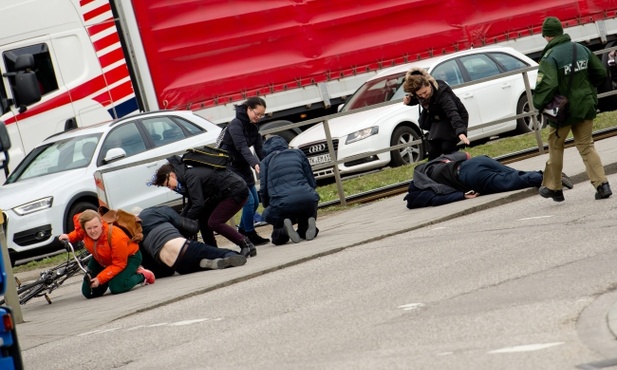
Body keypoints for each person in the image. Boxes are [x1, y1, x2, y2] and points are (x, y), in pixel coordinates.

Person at [533, 16, 612, 202]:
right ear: (561, 31)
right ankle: (602, 185)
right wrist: (585, 89)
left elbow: (548, 85)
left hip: (563, 112)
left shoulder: (549, 57)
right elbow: (600, 73)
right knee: (586, 145)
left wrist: (538, 103)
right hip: (585, 106)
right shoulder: (581, 49)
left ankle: (555, 188)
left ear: (546, 36)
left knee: (555, 146)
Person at [150, 156, 257, 258]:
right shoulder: (186, 177)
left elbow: (198, 204)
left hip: (235, 191)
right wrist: (180, 220)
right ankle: (213, 252)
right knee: (203, 220)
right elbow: (192, 202)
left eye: (168, 184)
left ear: (172, 175)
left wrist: (185, 222)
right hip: (226, 192)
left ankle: (245, 244)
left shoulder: (190, 177)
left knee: (214, 222)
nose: (170, 188)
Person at [404, 151, 574, 209]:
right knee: (515, 174)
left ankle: (551, 177)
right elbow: (466, 154)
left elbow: (427, 200)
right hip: (477, 161)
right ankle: (550, 175)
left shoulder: (421, 184)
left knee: (512, 181)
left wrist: (461, 196)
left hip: (469, 177)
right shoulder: (435, 163)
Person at [59, 210, 155, 299]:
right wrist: (68, 237)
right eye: (89, 228)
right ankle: (114, 277)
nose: (92, 231)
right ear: (84, 228)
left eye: (95, 227)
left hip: (128, 258)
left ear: (101, 224)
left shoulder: (116, 237)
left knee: (117, 287)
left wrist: (100, 279)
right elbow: (78, 233)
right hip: (103, 259)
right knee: (89, 292)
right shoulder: (85, 231)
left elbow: (119, 264)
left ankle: (143, 275)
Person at [137, 205, 247, 277]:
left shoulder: (138, 238)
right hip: (187, 248)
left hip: (178, 266)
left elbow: (160, 271)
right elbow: (190, 227)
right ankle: (227, 257)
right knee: (228, 253)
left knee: (194, 262)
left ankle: (203, 264)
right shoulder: (155, 212)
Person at [219, 97, 270, 245]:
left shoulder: (253, 125)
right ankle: (249, 234)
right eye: (257, 113)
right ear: (248, 109)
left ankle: (243, 229)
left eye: (262, 115)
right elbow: (242, 147)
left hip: (242, 166)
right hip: (230, 168)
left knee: (255, 202)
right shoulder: (236, 125)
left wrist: (268, 162)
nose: (259, 117)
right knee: (248, 201)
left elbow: (259, 148)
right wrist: (254, 164)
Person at [259, 135, 320, 244]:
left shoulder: (265, 162)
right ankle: (307, 227)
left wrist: (268, 205)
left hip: (282, 203)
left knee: (276, 234)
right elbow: (311, 180)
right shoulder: (298, 153)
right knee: (305, 210)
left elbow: (264, 189)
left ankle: (283, 231)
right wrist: (309, 193)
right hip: (307, 198)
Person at [403, 67, 470, 160]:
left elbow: (452, 112)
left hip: (454, 118)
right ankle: (433, 169)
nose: (423, 96)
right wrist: (409, 101)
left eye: (425, 92)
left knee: (447, 146)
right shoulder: (420, 95)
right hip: (438, 119)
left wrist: (460, 131)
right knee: (433, 149)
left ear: (429, 84)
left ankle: (459, 163)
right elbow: (416, 99)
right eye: (420, 95)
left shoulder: (442, 93)